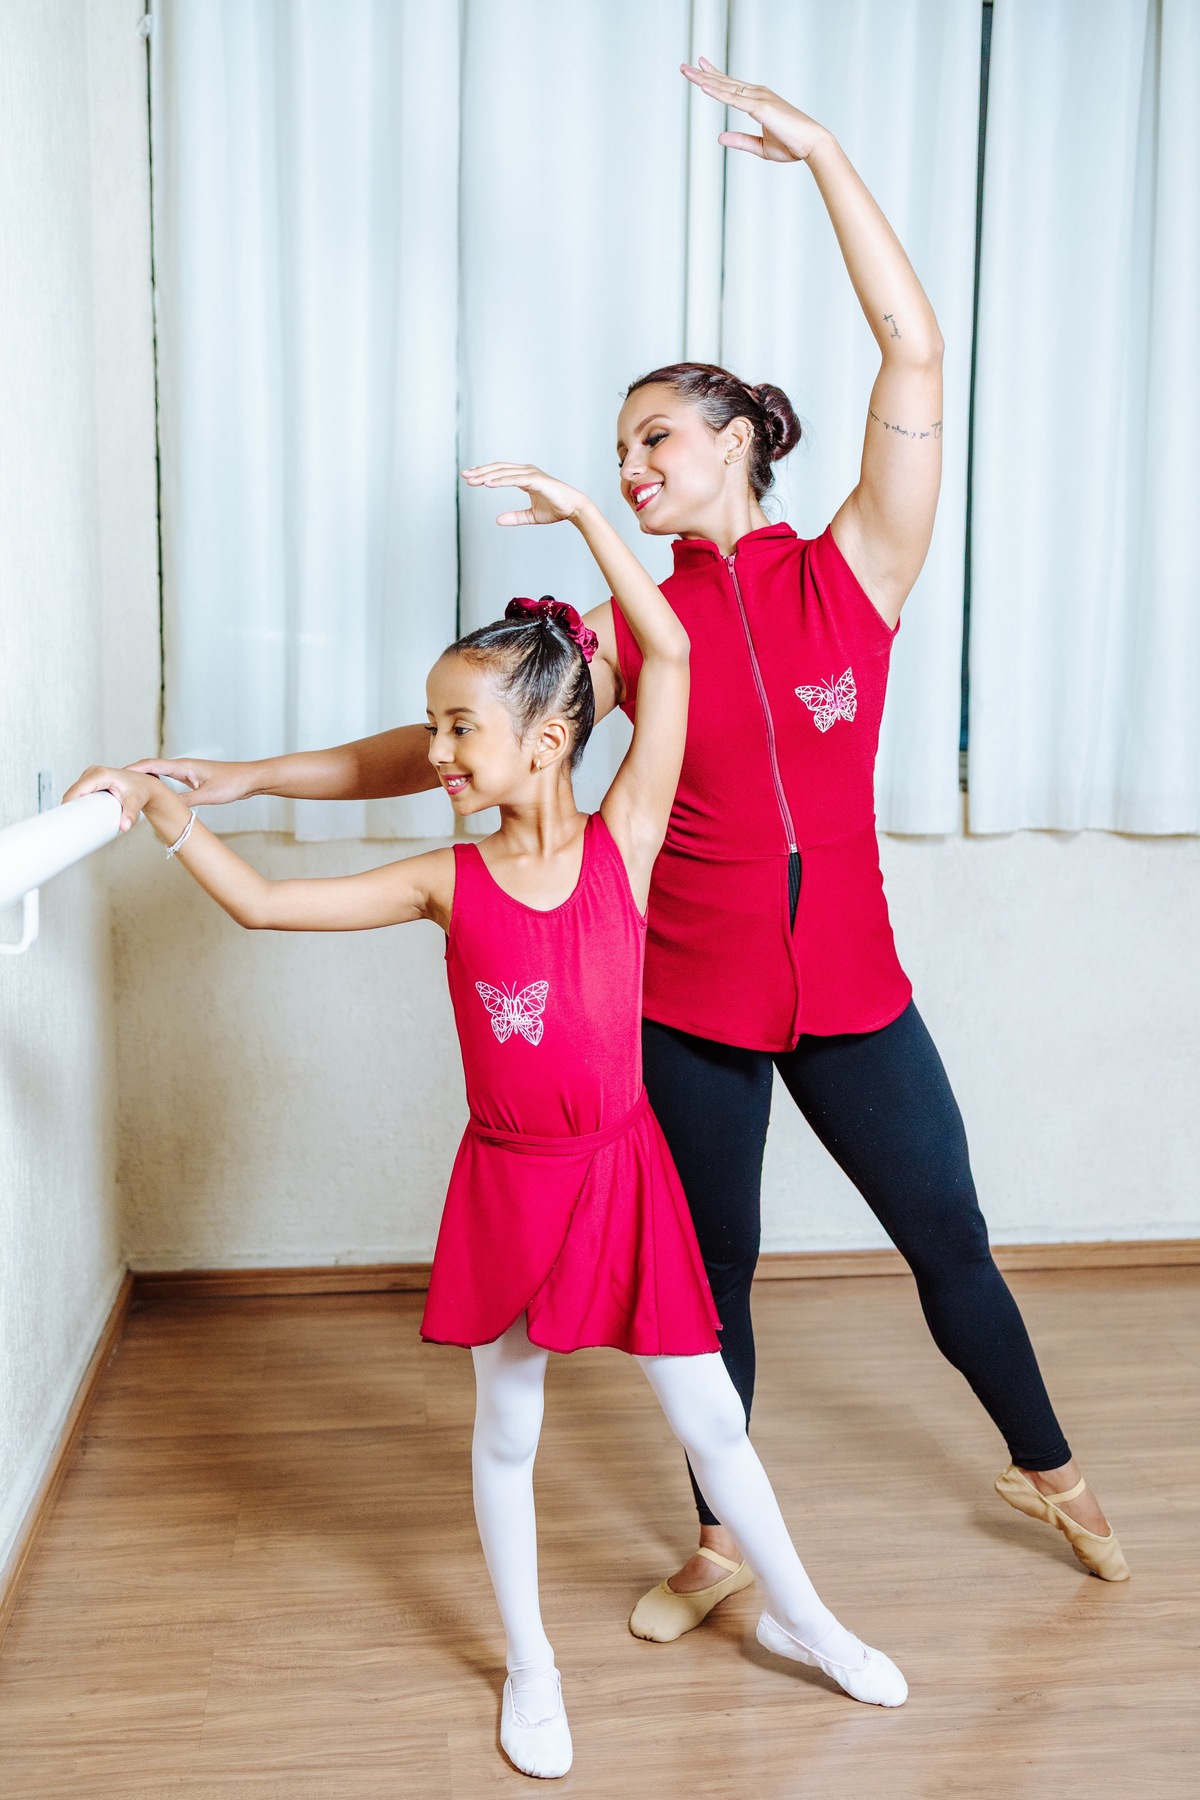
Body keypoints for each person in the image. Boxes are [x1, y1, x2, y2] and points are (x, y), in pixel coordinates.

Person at [133, 64, 1128, 1631]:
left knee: (949, 1237)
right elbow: (448, 746)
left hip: (856, 987)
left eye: (659, 437)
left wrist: (823, 154)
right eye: (623, 452)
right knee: (704, 1282)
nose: (637, 466)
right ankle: (726, 1543)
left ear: (739, 437)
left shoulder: (854, 571)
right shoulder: (624, 636)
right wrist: (248, 773)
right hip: (685, 1005)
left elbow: (916, 347)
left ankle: (1052, 1469)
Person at [68, 467, 907, 1783]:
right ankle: (533, 1665)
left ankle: (804, 1618)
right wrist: (173, 816)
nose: (439, 755)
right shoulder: (442, 883)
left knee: (713, 1423)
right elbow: (270, 910)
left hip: (626, 1175)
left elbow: (672, 657)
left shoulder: (627, 840)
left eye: (459, 729)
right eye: (432, 728)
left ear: (549, 740)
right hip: (513, 1185)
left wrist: (587, 520)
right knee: (507, 1431)